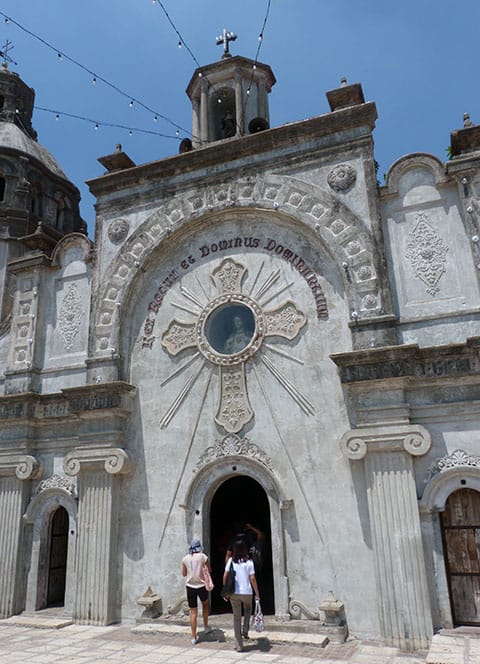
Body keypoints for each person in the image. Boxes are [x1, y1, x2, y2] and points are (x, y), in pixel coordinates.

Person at [223, 539, 260, 652]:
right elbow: (252, 578)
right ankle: (245, 629)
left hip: (234, 593)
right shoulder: (249, 562)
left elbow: (225, 576)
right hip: (247, 592)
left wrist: (225, 590)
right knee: (248, 610)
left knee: (236, 618)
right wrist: (257, 593)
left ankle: (239, 645)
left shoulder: (230, 561)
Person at [182, 538, 212, 645]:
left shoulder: (185, 558)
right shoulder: (203, 556)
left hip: (190, 586)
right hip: (201, 585)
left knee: (193, 612)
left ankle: (194, 636)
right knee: (205, 604)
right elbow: (209, 569)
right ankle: (206, 626)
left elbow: (184, 574)